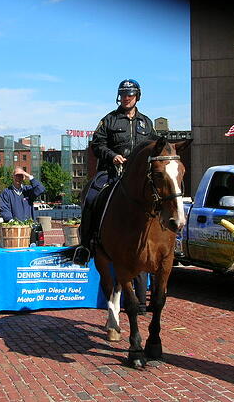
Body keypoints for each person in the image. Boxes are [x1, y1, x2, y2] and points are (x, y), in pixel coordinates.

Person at [78, 79, 158, 314]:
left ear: (137, 97)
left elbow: (153, 146)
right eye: (123, 95)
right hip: (112, 173)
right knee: (92, 195)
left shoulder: (146, 123)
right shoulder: (109, 120)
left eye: (130, 95)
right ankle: (86, 244)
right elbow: (96, 144)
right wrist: (112, 155)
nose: (126, 98)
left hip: (138, 177)